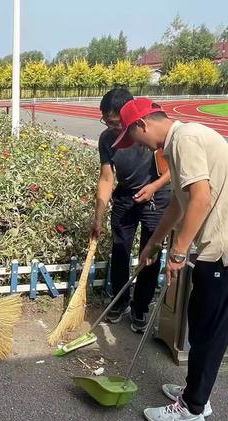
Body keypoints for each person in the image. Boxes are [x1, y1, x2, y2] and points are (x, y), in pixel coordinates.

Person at [114, 97, 228, 421]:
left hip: (221, 249)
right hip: (215, 247)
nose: (136, 144)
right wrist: (153, 245)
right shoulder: (176, 144)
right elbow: (178, 205)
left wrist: (177, 253)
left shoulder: (185, 140)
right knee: (202, 321)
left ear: (143, 124)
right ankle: (197, 393)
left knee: (208, 329)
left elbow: (201, 199)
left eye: (133, 137)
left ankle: (192, 410)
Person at [91, 88, 171, 332]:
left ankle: (140, 307)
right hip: (126, 196)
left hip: (157, 195)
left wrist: (154, 186)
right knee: (120, 249)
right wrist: (98, 217)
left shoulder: (151, 129)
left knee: (151, 253)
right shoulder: (107, 139)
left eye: (116, 121)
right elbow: (106, 179)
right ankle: (120, 301)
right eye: (107, 121)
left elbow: (175, 168)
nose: (113, 128)